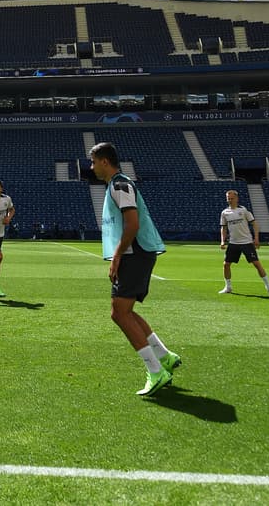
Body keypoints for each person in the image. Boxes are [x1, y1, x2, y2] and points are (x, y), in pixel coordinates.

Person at [90, 142, 180, 397]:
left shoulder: (120, 185)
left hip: (134, 253)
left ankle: (155, 371)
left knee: (118, 313)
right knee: (126, 310)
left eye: (94, 162)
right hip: (137, 253)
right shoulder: (117, 185)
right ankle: (164, 356)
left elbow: (132, 224)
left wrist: (117, 256)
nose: (92, 167)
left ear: (105, 161)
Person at [219, 190, 269, 297]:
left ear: (236, 198)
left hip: (246, 242)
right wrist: (223, 240)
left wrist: (256, 239)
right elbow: (223, 228)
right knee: (226, 264)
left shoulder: (244, 210)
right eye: (228, 198)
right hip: (233, 243)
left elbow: (254, 224)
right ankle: (228, 287)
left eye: (232, 198)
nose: (230, 200)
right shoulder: (224, 213)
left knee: (256, 264)